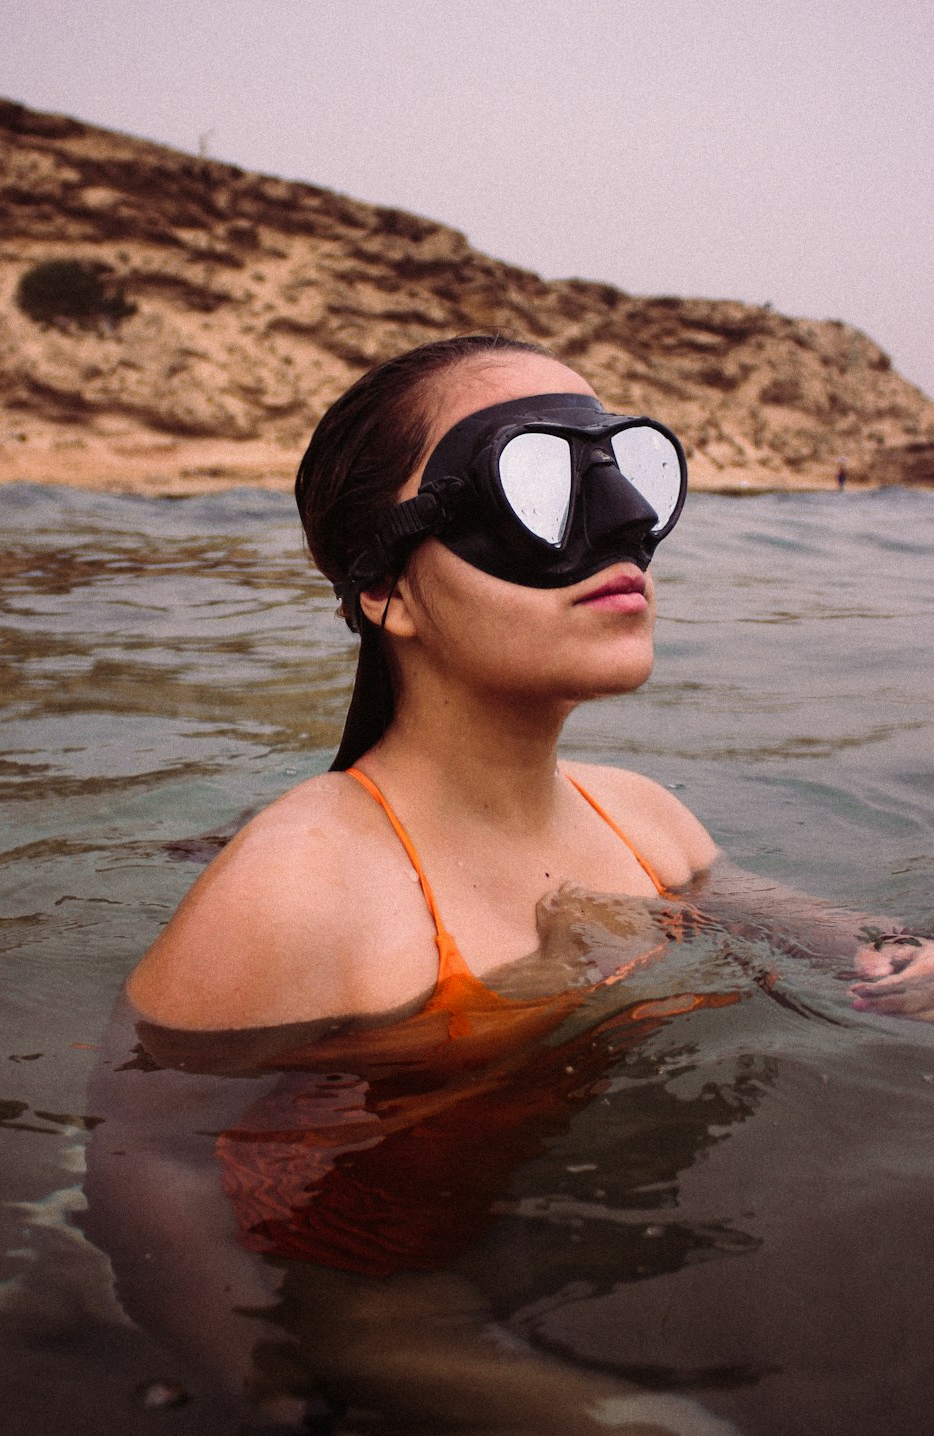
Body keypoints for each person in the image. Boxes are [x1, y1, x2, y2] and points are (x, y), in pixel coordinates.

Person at [125, 333, 930, 1042]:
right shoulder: (296, 893)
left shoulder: (647, 820)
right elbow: (153, 1163)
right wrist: (538, 988)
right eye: (537, 482)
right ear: (388, 593)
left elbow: (877, 954)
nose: (624, 521)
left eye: (618, 467)